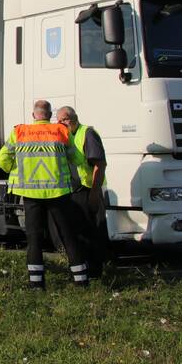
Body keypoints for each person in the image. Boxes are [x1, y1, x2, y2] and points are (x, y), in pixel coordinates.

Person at [0, 99, 88, 290]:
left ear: (34, 115)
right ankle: (81, 280)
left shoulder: (19, 132)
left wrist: (13, 169)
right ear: (50, 115)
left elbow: (2, 157)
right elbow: (78, 158)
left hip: (30, 193)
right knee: (67, 234)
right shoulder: (60, 131)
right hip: (57, 192)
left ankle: (36, 283)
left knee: (34, 238)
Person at [56, 105, 109, 279]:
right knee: (78, 233)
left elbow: (99, 165)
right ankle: (84, 269)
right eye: (59, 120)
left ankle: (95, 273)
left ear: (75, 118)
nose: (62, 123)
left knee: (91, 233)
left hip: (87, 190)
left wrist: (94, 194)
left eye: (65, 119)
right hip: (74, 191)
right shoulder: (67, 136)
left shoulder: (87, 133)